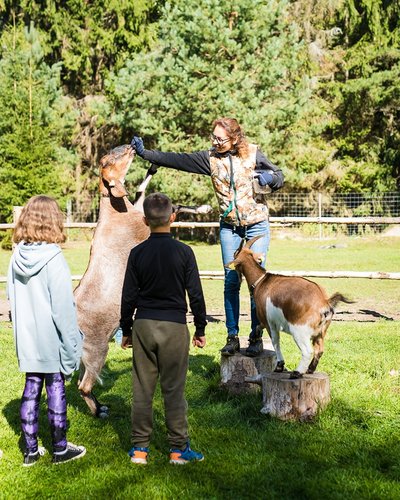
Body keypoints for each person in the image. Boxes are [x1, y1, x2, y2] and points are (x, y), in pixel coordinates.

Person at [131, 117, 284, 357]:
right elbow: (177, 160)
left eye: (220, 138)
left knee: (257, 282)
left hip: (256, 225)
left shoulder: (253, 153)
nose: (214, 141)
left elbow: (279, 175)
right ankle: (232, 336)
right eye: (212, 136)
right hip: (229, 226)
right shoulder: (209, 158)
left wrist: (271, 179)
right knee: (231, 280)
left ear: (234, 138)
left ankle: (256, 335)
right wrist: (146, 154)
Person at [120, 192, 206, 465]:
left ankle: (140, 449)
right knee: (174, 389)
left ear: (145, 220)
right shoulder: (184, 252)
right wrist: (200, 327)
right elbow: (196, 294)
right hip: (174, 326)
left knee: (142, 389)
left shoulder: (137, 253)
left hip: (144, 324)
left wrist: (126, 329)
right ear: (173, 217)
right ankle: (178, 450)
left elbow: (128, 295)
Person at [7, 195, 85, 466]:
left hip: (28, 339)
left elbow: (13, 301)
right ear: (53, 221)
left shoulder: (14, 258)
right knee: (56, 389)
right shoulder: (54, 260)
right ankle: (60, 449)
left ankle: (30, 452)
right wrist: (72, 346)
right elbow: (63, 310)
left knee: (31, 388)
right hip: (51, 339)